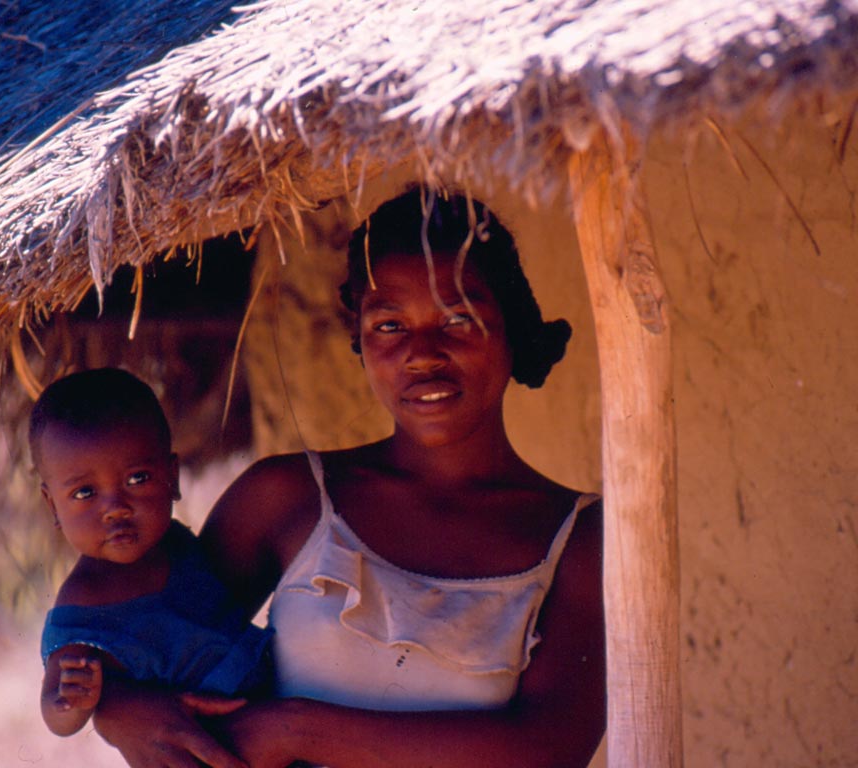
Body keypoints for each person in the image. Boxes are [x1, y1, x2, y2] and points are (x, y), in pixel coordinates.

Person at [93, 188, 606, 768]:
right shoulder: (287, 499)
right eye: (389, 325)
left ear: (511, 328)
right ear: (359, 340)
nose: (422, 353)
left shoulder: (578, 538)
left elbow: (548, 750)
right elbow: (134, 633)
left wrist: (296, 730)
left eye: (459, 318)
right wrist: (115, 703)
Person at [30, 367, 273, 738]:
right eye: (84, 493)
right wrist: (68, 702)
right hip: (202, 744)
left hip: (270, 706)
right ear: (52, 507)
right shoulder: (84, 601)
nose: (116, 507)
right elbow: (57, 713)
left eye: (137, 479)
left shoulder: (178, 546)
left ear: (171, 478)